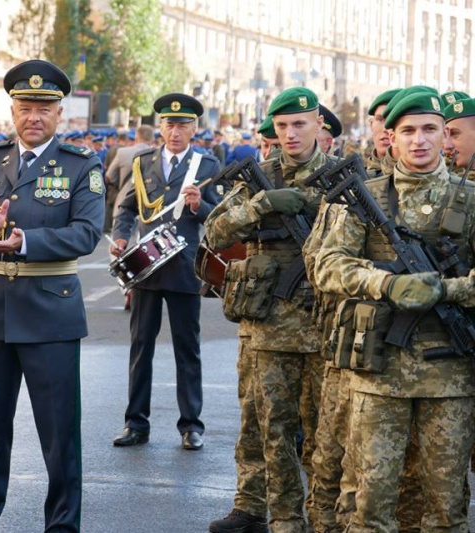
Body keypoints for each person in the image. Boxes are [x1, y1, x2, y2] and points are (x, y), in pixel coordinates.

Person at [0, 59, 104, 532]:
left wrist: (25, 242)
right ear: (12, 111)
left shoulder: (82, 165)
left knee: (59, 439)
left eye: (44, 108)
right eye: (25, 107)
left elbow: (87, 232)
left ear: (60, 115)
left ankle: (61, 526)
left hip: (50, 313)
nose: (33, 117)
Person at [314, 87, 475, 531]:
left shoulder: (471, 199)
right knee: (369, 505)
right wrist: (386, 283)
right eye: (408, 131)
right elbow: (327, 266)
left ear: (445, 135)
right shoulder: (364, 198)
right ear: (392, 136)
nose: (419, 140)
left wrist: (445, 290)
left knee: (446, 510)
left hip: (451, 379)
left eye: (429, 129)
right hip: (378, 372)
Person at [207, 87, 328, 532]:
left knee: (324, 439)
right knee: (273, 433)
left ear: (319, 124)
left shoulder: (343, 180)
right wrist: (260, 205)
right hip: (270, 328)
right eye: (281, 127)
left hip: (325, 329)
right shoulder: (259, 178)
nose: (290, 134)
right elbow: (214, 232)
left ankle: (323, 518)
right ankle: (282, 521)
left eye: (299, 124)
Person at [111, 94, 221, 450]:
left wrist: (199, 205)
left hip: (185, 267)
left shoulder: (206, 165)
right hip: (146, 269)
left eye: (183, 125)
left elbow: (222, 217)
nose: (176, 132)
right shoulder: (144, 163)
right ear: (160, 127)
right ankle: (135, 423)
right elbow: (126, 208)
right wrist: (120, 236)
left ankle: (191, 425)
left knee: (187, 349)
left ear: (194, 129)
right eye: (170, 125)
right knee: (141, 347)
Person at [103, 124, 155, 234]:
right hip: (151, 206)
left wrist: (118, 186)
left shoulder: (123, 152)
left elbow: (108, 176)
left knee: (119, 242)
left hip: (124, 201)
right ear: (152, 139)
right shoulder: (158, 154)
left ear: (136, 137)